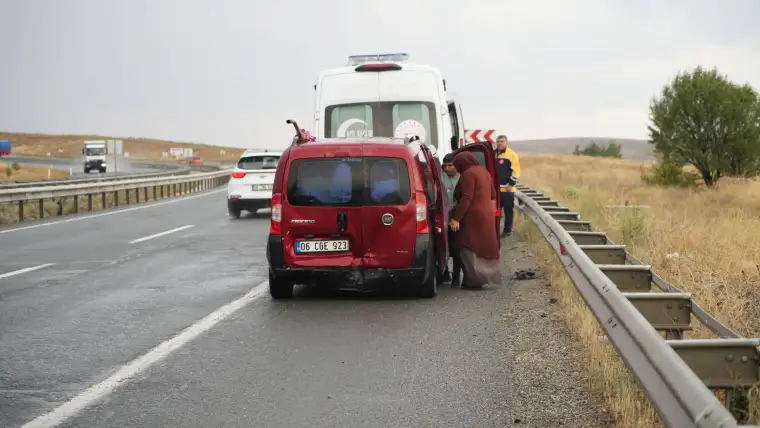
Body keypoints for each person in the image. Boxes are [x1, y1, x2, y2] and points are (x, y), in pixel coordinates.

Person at [448, 151, 502, 289]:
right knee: (483, 245)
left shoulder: (468, 174)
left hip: (472, 215)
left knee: (468, 245)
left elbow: (466, 198)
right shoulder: (484, 172)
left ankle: (472, 280)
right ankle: (487, 276)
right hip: (487, 214)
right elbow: (492, 194)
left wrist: (456, 218)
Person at [440, 153, 462, 285]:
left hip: (456, 215)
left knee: (456, 247)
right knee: (443, 245)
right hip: (442, 214)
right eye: (445, 166)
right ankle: (444, 273)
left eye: (450, 165)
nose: (447, 168)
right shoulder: (440, 177)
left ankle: (456, 276)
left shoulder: (462, 177)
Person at [495, 134, 520, 236]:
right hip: (496, 190)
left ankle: (507, 230)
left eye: (502, 141)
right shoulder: (494, 154)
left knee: (508, 211)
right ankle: (495, 230)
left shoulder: (512, 155)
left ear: (506, 143)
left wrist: (511, 184)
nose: (500, 143)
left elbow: (516, 171)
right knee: (496, 211)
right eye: (498, 141)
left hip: (507, 190)